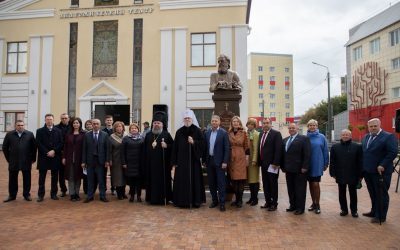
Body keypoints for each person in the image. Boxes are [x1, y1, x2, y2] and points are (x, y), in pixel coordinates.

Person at [361, 118, 397, 223]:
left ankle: (381, 216)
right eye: (371, 126)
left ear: (379, 125)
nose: (373, 128)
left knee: (381, 194)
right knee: (372, 193)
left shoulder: (388, 137)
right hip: (368, 171)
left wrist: (382, 164)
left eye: (375, 126)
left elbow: (392, 152)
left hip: (381, 172)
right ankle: (374, 211)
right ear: (368, 127)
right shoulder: (366, 137)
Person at [171, 109, 206, 208]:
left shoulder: (197, 130)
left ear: (192, 119)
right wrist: (174, 162)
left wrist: (194, 142)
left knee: (194, 180)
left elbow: (203, 144)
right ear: (183, 119)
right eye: (185, 118)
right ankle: (181, 201)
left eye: (189, 118)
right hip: (181, 162)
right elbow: (175, 147)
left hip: (193, 162)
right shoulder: (179, 131)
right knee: (182, 181)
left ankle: (195, 201)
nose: (187, 120)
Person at [329, 129, 362, 217]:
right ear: (341, 136)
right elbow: (332, 161)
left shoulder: (357, 147)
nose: (345, 136)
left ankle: (354, 211)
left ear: (350, 136)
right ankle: (344, 209)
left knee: (353, 193)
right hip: (340, 173)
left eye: (347, 134)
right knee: (341, 193)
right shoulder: (335, 147)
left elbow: (360, 161)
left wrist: (360, 175)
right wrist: (333, 173)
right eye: (343, 135)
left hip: (353, 174)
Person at [143, 112, 174, 205]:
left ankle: (164, 198)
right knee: (151, 181)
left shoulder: (166, 135)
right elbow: (144, 149)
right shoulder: (148, 135)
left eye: (158, 123)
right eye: (155, 123)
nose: (156, 125)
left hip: (162, 165)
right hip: (150, 164)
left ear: (162, 125)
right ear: (152, 124)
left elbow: (173, 147)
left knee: (163, 182)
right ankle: (151, 199)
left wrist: (167, 146)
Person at [2, 120, 37, 202]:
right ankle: (12, 195)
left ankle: (26, 195)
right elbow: (4, 147)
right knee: (12, 179)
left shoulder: (29, 134)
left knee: (27, 178)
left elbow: (34, 148)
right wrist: (9, 159)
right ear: (15, 126)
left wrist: (33, 159)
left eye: (22, 125)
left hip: (26, 161)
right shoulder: (9, 134)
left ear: (24, 126)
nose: (20, 126)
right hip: (14, 161)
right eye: (18, 125)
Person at [281, 123, 311, 215]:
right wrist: (283, 167)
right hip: (288, 169)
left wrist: (305, 167)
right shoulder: (285, 140)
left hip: (300, 169)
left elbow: (307, 154)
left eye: (293, 128)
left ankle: (300, 208)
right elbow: (283, 155)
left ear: (297, 128)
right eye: (290, 128)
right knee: (291, 188)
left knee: (300, 189)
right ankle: (292, 205)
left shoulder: (304, 139)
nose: (291, 129)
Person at [204, 115, 230, 212]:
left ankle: (222, 203)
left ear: (219, 122)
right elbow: (205, 148)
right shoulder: (207, 133)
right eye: (212, 121)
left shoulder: (223, 133)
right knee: (211, 183)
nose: (214, 122)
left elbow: (227, 148)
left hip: (220, 162)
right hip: (209, 160)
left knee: (221, 183)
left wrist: (225, 161)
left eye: (216, 121)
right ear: (211, 122)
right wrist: (204, 160)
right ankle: (214, 201)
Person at [36, 114, 64, 202]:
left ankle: (53, 194)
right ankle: (41, 195)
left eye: (51, 119)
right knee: (42, 177)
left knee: (55, 177)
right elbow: (38, 143)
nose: (49, 121)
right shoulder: (39, 131)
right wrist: (47, 152)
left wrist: (54, 151)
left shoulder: (58, 131)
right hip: (43, 157)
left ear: (53, 120)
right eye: (47, 119)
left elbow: (61, 143)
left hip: (55, 156)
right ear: (45, 120)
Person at [81, 119, 110, 203]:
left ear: (100, 125)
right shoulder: (87, 135)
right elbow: (84, 149)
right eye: (94, 124)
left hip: (101, 161)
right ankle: (90, 196)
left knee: (101, 180)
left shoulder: (105, 135)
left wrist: (107, 160)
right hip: (90, 161)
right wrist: (83, 161)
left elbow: (107, 149)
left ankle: (102, 196)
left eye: (97, 124)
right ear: (92, 125)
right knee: (90, 180)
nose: (95, 125)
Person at [258, 118, 283, 211]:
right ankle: (267, 202)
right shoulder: (261, 134)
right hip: (263, 164)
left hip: (272, 165)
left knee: (273, 184)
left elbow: (278, 150)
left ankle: (274, 203)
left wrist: (276, 163)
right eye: (264, 123)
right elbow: (260, 148)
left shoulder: (276, 134)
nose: (265, 125)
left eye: (267, 123)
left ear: (271, 124)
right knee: (265, 184)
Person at [306, 119, 329, 214]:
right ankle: (313, 203)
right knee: (310, 184)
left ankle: (318, 204)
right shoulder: (305, 137)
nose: (312, 127)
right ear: (308, 127)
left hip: (317, 163)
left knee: (316, 184)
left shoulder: (321, 137)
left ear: (317, 126)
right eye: (310, 125)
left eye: (314, 125)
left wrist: (326, 163)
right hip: (307, 164)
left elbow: (325, 150)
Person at [227, 116, 249, 208]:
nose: (235, 123)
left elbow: (247, 147)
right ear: (231, 123)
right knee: (234, 180)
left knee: (240, 180)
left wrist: (247, 159)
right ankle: (236, 199)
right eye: (233, 121)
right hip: (231, 157)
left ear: (239, 123)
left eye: (237, 121)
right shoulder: (229, 133)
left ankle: (240, 200)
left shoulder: (244, 133)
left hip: (240, 157)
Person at [62, 117, 85, 201]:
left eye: (77, 123)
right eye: (74, 123)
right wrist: (64, 157)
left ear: (80, 124)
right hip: (69, 158)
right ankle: (72, 194)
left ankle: (77, 193)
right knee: (71, 177)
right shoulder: (68, 134)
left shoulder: (84, 134)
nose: (76, 124)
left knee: (78, 177)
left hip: (79, 159)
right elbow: (65, 147)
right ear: (72, 124)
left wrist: (84, 160)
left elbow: (85, 148)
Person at [121, 123, 144, 202]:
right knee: (132, 181)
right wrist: (124, 163)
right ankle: (132, 196)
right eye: (132, 128)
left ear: (138, 129)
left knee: (139, 181)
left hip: (140, 163)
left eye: (135, 128)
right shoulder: (126, 139)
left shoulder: (142, 138)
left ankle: (139, 196)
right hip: (129, 163)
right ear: (130, 130)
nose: (134, 129)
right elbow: (122, 152)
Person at [108, 121, 127, 200]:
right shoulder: (111, 137)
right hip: (116, 160)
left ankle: (123, 192)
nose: (119, 128)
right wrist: (110, 160)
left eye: (120, 126)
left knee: (124, 176)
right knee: (118, 177)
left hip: (125, 160)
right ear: (115, 128)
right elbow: (109, 150)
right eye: (117, 127)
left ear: (123, 128)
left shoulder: (126, 136)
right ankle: (119, 194)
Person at [246, 118, 260, 206]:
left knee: (254, 180)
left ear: (255, 125)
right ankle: (251, 197)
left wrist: (254, 159)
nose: (250, 125)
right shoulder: (247, 133)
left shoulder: (256, 134)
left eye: (252, 124)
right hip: (247, 159)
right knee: (250, 180)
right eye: (249, 124)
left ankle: (255, 198)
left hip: (253, 160)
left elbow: (255, 148)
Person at [55, 113, 70, 197]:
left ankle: (72, 189)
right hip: (59, 153)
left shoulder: (72, 127)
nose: (64, 119)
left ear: (68, 119)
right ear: (60, 119)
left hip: (70, 153)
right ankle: (63, 190)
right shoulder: (56, 127)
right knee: (61, 173)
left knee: (71, 171)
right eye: (63, 118)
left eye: (66, 118)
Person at [102, 115, 114, 195]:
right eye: (107, 120)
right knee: (103, 172)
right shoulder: (102, 131)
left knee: (114, 172)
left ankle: (113, 188)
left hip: (114, 154)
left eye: (110, 120)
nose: (109, 121)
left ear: (112, 121)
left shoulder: (115, 130)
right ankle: (104, 188)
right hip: (104, 154)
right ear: (105, 121)